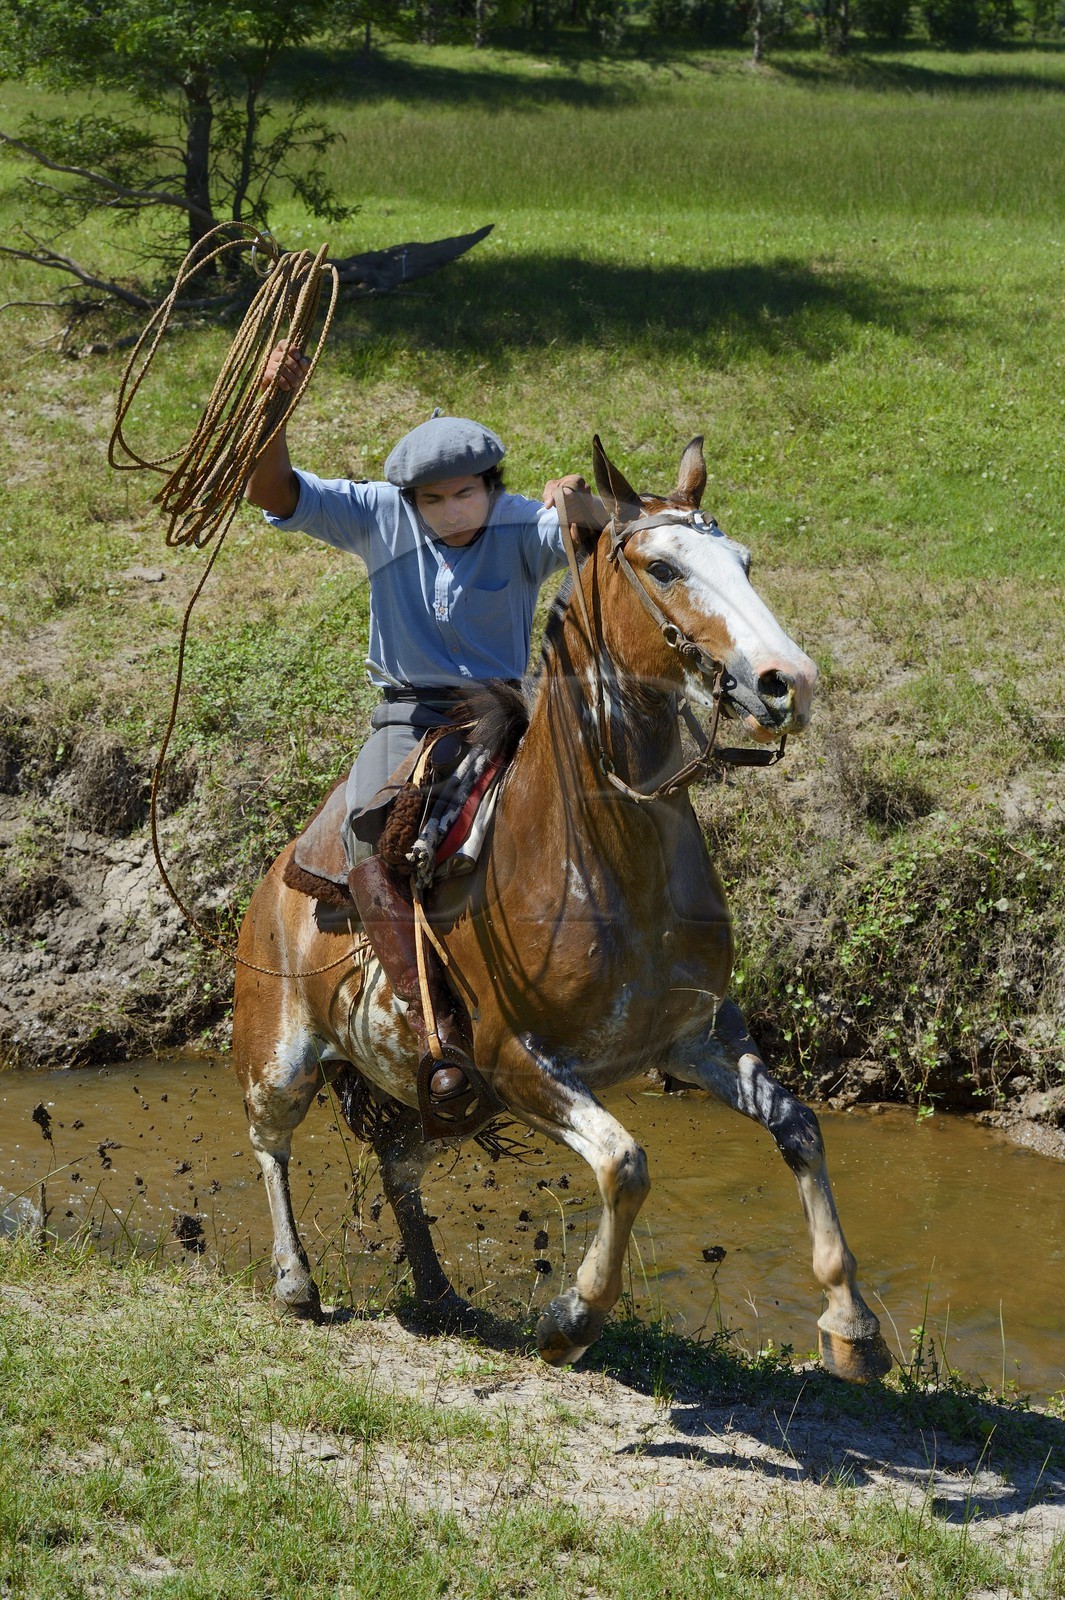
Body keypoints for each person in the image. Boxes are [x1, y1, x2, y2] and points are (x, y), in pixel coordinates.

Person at [244, 342, 603, 1120]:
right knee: (372, 842)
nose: (452, 511)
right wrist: (273, 409)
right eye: (433, 500)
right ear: (409, 499)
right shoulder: (376, 513)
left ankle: (593, 992)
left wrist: (578, 503)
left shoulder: (518, 525)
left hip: (504, 712)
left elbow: (595, 539)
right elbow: (273, 490)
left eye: (466, 494)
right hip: (405, 715)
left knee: (591, 807)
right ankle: (430, 1025)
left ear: (491, 485)